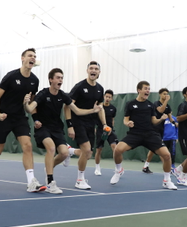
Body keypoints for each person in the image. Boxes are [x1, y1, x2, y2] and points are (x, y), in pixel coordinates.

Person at [0, 48, 46, 192]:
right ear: (22, 58)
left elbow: (28, 106)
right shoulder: (11, 76)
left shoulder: (34, 81)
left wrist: (27, 105)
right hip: (3, 117)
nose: (32, 58)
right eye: (30, 56)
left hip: (20, 118)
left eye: (34, 56)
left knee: (28, 146)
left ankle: (31, 181)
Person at [24, 68, 103, 194]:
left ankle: (48, 168)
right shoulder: (43, 94)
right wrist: (26, 104)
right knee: (51, 148)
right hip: (43, 128)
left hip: (57, 128)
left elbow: (76, 110)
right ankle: (50, 182)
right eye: (58, 77)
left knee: (64, 153)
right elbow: (30, 109)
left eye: (62, 77)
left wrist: (92, 111)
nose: (60, 80)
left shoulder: (63, 96)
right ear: (51, 80)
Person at [110, 81, 177, 190]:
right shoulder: (130, 104)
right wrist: (128, 123)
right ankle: (118, 170)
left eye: (149, 89)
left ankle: (167, 181)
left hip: (150, 134)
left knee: (167, 155)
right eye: (145, 88)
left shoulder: (150, 105)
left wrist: (160, 119)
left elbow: (154, 121)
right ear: (139, 90)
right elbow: (125, 119)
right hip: (135, 134)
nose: (148, 91)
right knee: (117, 150)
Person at [66, 61, 109, 190]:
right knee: (86, 149)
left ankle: (70, 151)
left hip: (91, 123)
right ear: (87, 71)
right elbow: (67, 106)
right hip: (78, 121)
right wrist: (69, 125)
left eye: (96, 69)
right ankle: (80, 180)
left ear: (99, 72)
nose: (93, 70)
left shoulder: (100, 89)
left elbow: (100, 108)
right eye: (91, 68)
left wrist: (105, 124)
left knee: (88, 153)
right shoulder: (79, 87)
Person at [142, 88, 175, 174]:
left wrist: (177, 124)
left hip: (161, 130)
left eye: (167, 94)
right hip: (153, 128)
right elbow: (161, 110)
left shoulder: (168, 106)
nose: (166, 95)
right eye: (164, 94)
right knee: (160, 148)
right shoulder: (156, 103)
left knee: (153, 149)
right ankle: (168, 168)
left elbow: (171, 119)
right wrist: (166, 101)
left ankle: (145, 166)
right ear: (160, 94)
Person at [94, 89, 119, 176]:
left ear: (112, 98)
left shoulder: (113, 109)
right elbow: (94, 119)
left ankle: (117, 168)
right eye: (106, 96)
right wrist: (95, 128)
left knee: (115, 148)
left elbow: (112, 120)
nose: (107, 98)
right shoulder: (99, 107)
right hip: (100, 130)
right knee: (99, 150)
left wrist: (112, 128)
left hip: (110, 131)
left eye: (109, 97)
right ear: (104, 97)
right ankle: (97, 168)